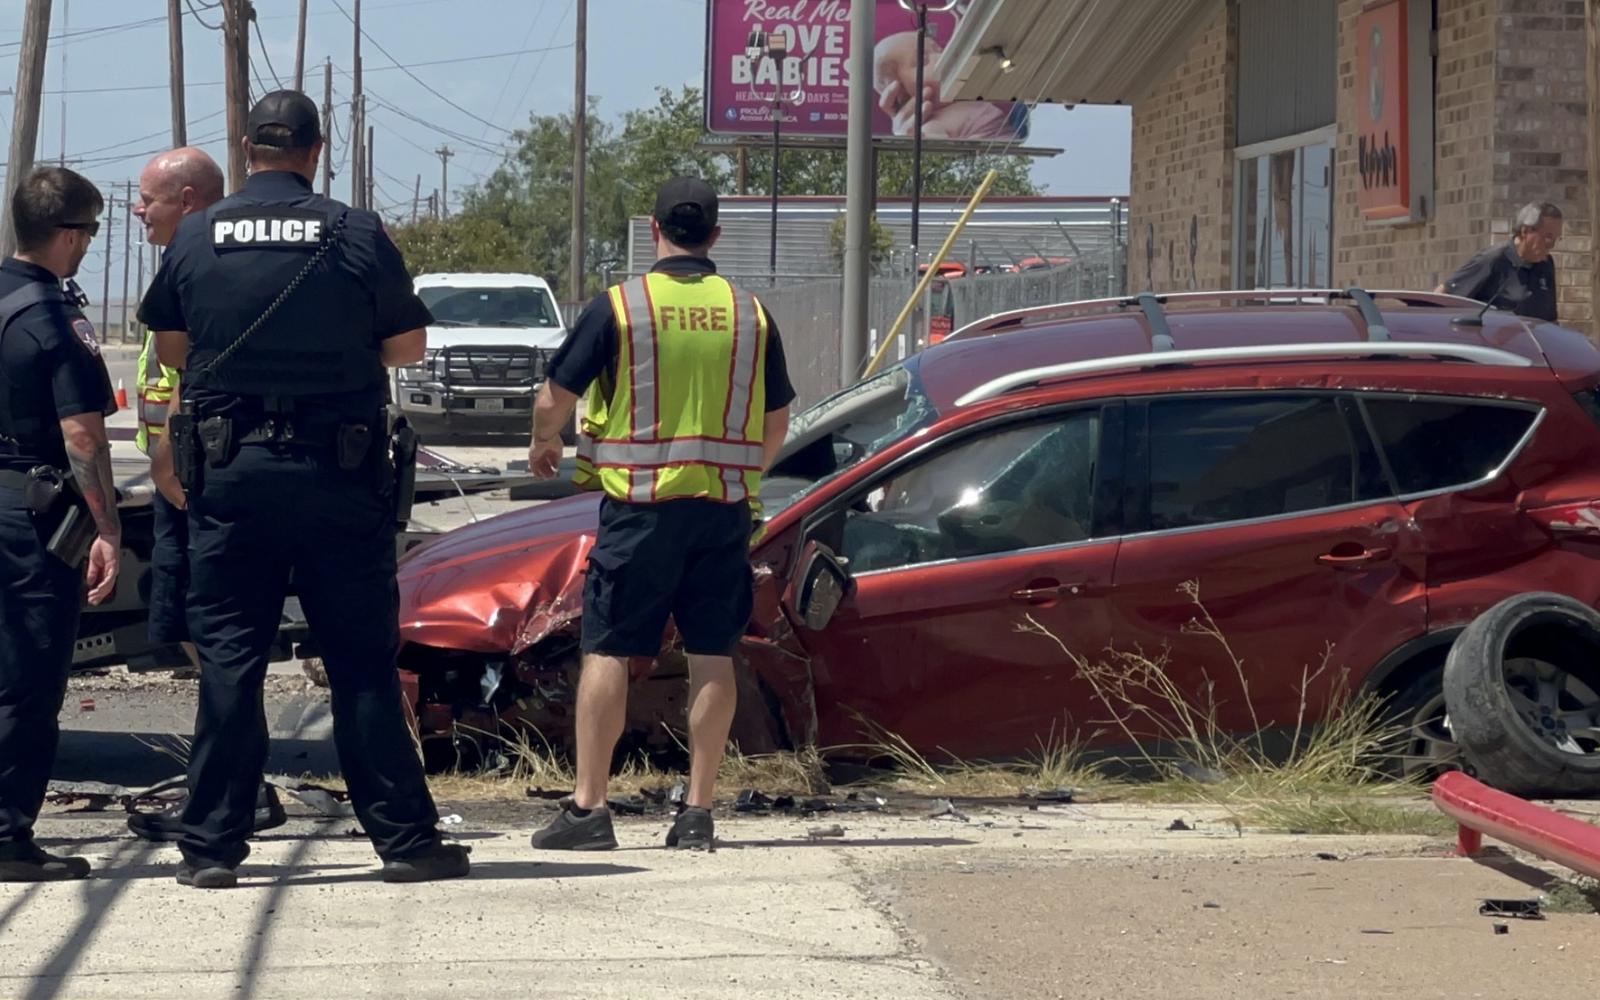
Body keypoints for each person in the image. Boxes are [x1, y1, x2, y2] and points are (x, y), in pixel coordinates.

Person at [138, 90, 467, 888]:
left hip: (231, 478)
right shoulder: (353, 231)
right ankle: (405, 843)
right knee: (359, 664)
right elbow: (410, 346)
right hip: (338, 476)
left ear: (247, 149)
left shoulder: (196, 234)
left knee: (229, 665)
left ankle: (211, 849)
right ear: (316, 152)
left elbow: (174, 351)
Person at [526, 176, 795, 852]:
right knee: (713, 654)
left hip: (640, 511)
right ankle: (698, 811)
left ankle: (590, 809)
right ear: (714, 236)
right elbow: (777, 418)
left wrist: (544, 440)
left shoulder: (622, 307)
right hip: (722, 510)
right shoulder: (750, 313)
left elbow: (556, 395)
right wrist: (742, 473)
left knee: (610, 649)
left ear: (654, 229)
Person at [125, 147, 289, 844]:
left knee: (216, 646)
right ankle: (230, 785)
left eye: (150, 199)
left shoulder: (205, 266)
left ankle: (236, 789)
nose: (139, 210)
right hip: (181, 480)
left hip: (197, 481)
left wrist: (179, 470)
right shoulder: (185, 265)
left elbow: (192, 383)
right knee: (197, 642)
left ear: (189, 201)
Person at [0, 167, 118, 881]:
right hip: (28, 509)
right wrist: (107, 526)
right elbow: (82, 436)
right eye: (92, 235)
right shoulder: (54, 316)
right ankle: (7, 834)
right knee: (28, 674)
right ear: (70, 235)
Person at [1436, 202, 1563, 322]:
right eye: (1548, 237)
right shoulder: (1494, 258)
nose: (1551, 245)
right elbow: (1443, 297)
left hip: (1531, 342)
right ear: (1525, 231)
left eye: (1556, 239)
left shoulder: (1546, 264)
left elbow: (1550, 319)